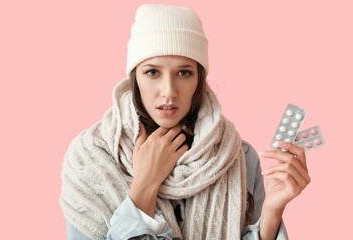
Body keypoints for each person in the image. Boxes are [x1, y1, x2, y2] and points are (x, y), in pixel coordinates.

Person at [59, 3, 310, 240]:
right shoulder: (89, 159)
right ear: (135, 77)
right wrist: (144, 184)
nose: (168, 91)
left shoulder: (239, 157)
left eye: (184, 72)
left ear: (199, 79)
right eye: (152, 72)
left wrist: (272, 212)